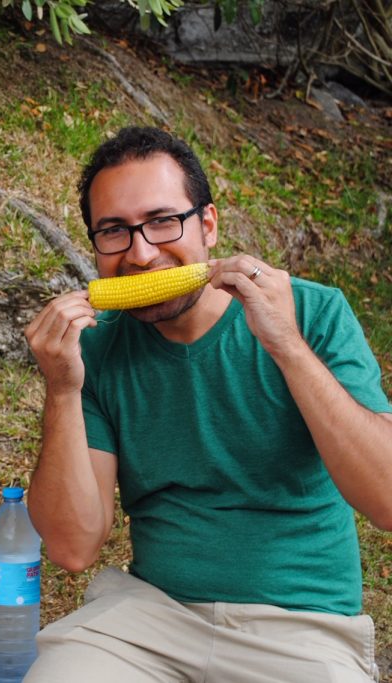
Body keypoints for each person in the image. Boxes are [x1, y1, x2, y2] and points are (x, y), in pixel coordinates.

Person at [22, 126, 392, 682]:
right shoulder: (96, 352)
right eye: (114, 232)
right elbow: (73, 547)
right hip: (150, 618)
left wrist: (285, 345)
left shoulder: (314, 314)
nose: (141, 254)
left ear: (209, 224)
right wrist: (62, 388)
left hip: (301, 629)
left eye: (163, 221)